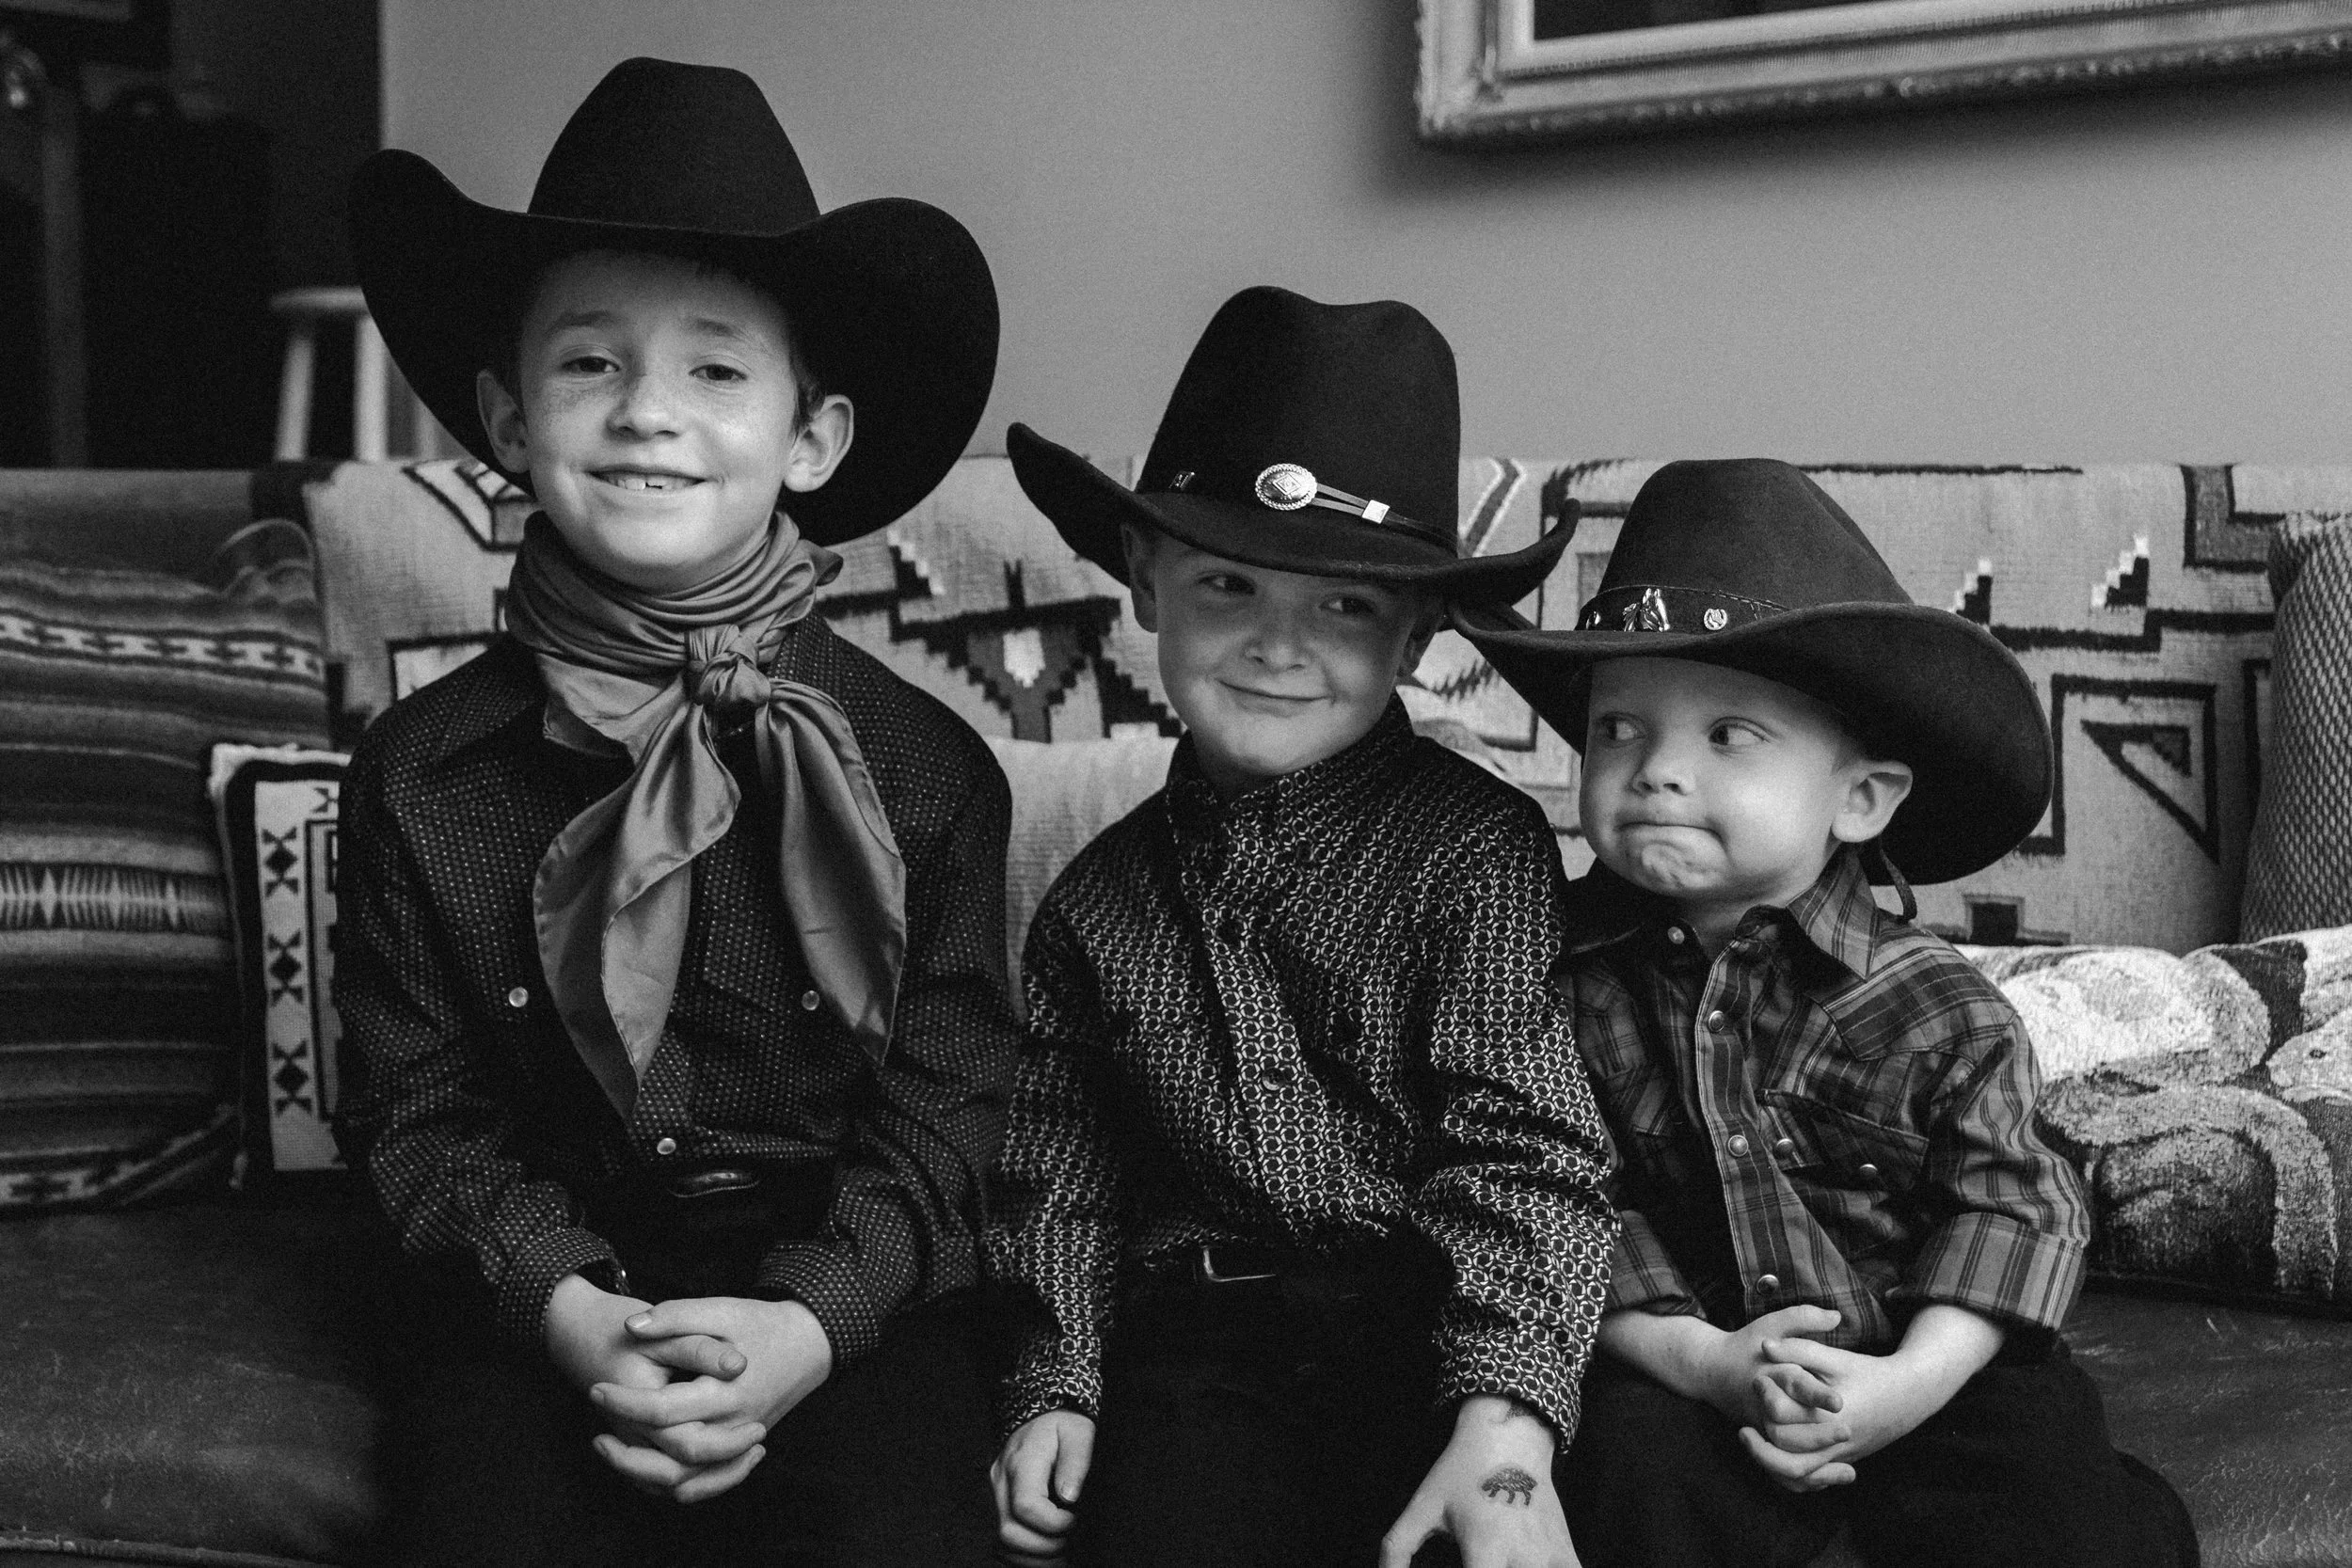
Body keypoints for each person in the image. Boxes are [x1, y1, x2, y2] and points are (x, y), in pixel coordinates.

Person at [333, 56, 1015, 1567]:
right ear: (511, 418)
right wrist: (571, 1312)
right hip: (542, 1275)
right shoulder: (419, 775)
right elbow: (414, 1114)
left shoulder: (926, 771)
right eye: (591, 365)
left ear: (811, 439)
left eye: (715, 370)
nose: (648, 413)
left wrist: (807, 1322)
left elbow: (953, 1105)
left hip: (837, 1285)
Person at [1457, 458, 2201, 1568]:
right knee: (1624, 1461)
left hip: (1922, 1353)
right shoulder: (1549, 977)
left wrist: (1905, 1382)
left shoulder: (1934, 1002)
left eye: (1728, 736)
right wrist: (1706, 1360)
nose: (1654, 770)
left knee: (2042, 1456)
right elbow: (1566, 1210)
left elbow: (2015, 1209)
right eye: (1618, 729)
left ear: (1859, 796)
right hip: (1694, 1357)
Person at [983, 284, 1618, 1568]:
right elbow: (1062, 1168)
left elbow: (1526, 1145)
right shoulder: (1093, 905)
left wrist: (1501, 1415)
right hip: (1200, 1342)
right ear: (1149, 585)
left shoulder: (1476, 849)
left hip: (1425, 1322)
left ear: (1420, 630)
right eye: (1229, 582)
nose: (1279, 645)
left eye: (1342, 606)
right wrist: (1057, 1376)